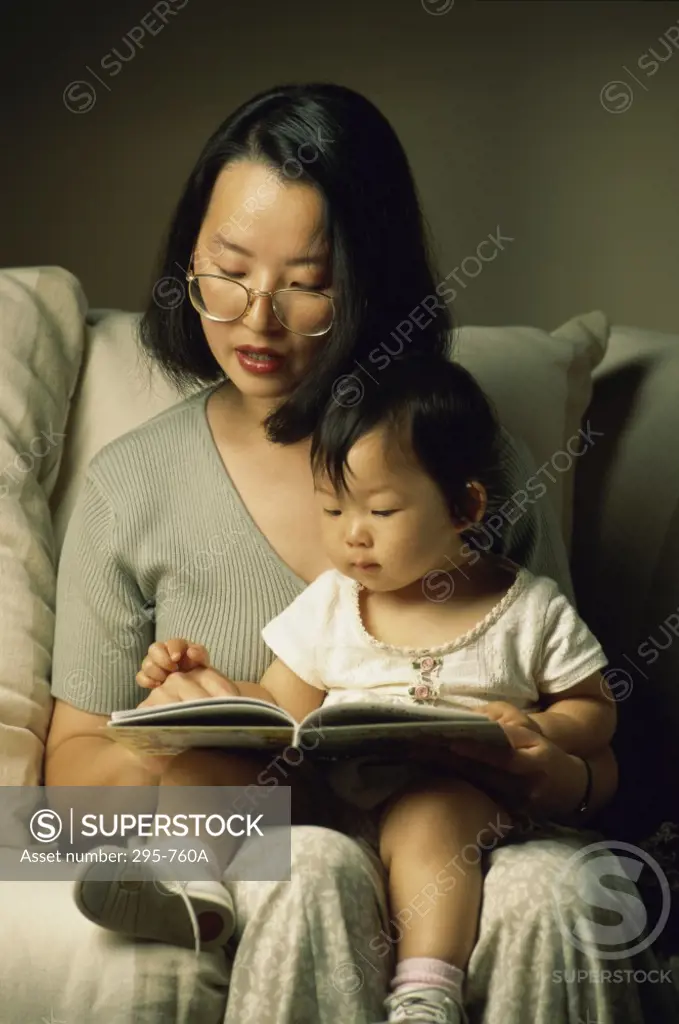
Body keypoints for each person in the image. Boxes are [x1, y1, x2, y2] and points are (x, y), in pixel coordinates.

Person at [45, 82, 645, 1024]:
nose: (257, 317)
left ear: (371, 280)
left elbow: (592, 747)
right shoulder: (132, 485)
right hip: (267, 842)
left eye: (308, 283)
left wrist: (551, 767)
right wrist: (191, 736)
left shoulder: (475, 465)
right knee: (309, 864)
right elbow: (66, 768)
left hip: (467, 835)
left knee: (556, 894)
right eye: (226, 270)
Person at [88, 353, 617, 1024]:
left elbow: (593, 706)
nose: (351, 536)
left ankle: (428, 988)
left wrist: (546, 730)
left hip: (456, 799)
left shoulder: (525, 608)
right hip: (332, 801)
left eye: (382, 509)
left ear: (464, 507)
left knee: (430, 811)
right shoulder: (335, 600)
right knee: (202, 767)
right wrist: (206, 689)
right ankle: (192, 890)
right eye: (332, 509)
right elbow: (283, 707)